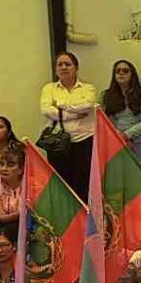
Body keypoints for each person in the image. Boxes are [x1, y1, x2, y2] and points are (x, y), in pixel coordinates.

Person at [39, 50, 100, 193]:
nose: (63, 67)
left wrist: (61, 105)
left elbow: (87, 105)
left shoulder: (88, 88)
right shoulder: (49, 88)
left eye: (68, 64)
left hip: (84, 140)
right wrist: (73, 115)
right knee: (61, 184)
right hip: (57, 142)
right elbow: (46, 110)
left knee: (84, 182)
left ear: (76, 68)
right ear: (56, 69)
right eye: (60, 64)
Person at [102, 58, 141, 169]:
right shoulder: (106, 95)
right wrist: (119, 137)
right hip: (116, 145)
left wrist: (127, 135)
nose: (121, 73)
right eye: (118, 71)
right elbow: (103, 122)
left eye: (125, 71)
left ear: (132, 74)